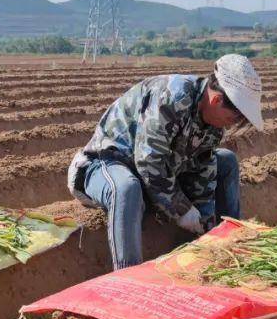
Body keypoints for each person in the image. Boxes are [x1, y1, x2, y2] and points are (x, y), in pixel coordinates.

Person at [67, 54, 263, 269]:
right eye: (231, 119)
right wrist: (183, 211)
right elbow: (150, 165)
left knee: (226, 160)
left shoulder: (213, 127)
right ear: (216, 100)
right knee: (126, 188)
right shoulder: (172, 97)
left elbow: (203, 173)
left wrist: (205, 224)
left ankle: (230, 242)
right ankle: (127, 274)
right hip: (105, 166)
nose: (229, 125)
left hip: (153, 179)